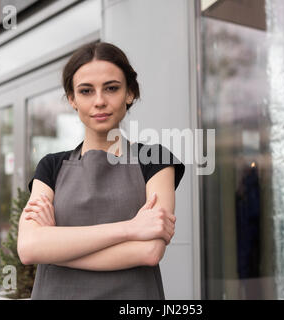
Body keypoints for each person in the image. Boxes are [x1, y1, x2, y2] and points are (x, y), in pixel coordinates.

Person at [17, 42, 185, 300]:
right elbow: (29, 248)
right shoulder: (50, 166)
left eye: (112, 88)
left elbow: (149, 251)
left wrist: (55, 249)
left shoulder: (155, 159)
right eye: (86, 91)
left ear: (130, 93)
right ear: (72, 99)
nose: (99, 101)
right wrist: (131, 229)